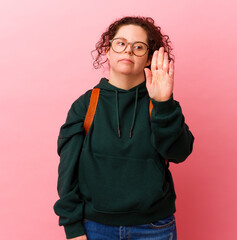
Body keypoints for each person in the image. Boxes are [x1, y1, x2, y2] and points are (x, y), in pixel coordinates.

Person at [53, 16, 195, 240]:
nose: (128, 51)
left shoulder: (161, 102)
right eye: (121, 43)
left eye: (138, 47)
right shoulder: (86, 105)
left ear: (149, 58)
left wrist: (163, 104)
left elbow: (179, 153)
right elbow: (68, 172)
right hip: (95, 228)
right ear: (108, 51)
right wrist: (72, 227)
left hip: (154, 228)